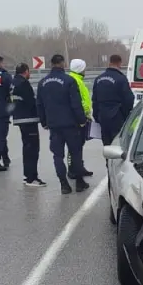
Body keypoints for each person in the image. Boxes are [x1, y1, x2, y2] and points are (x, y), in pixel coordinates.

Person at [37, 54, 89, 194]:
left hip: (54, 125)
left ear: (51, 64)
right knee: (75, 153)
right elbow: (76, 104)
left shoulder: (42, 82)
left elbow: (40, 105)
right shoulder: (69, 80)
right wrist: (82, 120)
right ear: (63, 63)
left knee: (57, 156)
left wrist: (44, 122)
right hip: (71, 124)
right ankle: (79, 182)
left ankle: (64, 185)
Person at [10, 62, 46, 187]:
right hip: (28, 119)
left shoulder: (13, 82)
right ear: (25, 71)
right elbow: (31, 101)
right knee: (33, 149)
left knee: (27, 148)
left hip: (19, 118)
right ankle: (32, 177)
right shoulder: (23, 83)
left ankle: (27, 176)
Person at [91, 53, 135, 145]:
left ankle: (107, 160)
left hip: (102, 117)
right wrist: (126, 115)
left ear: (110, 63)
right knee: (117, 144)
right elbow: (129, 99)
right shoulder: (121, 79)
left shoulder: (98, 79)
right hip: (117, 117)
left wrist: (97, 116)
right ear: (119, 63)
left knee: (106, 144)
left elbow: (94, 100)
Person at [67, 58, 94, 177]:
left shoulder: (77, 79)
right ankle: (73, 169)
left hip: (82, 116)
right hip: (78, 117)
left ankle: (78, 166)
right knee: (74, 146)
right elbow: (78, 101)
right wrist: (83, 115)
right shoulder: (74, 80)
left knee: (79, 144)